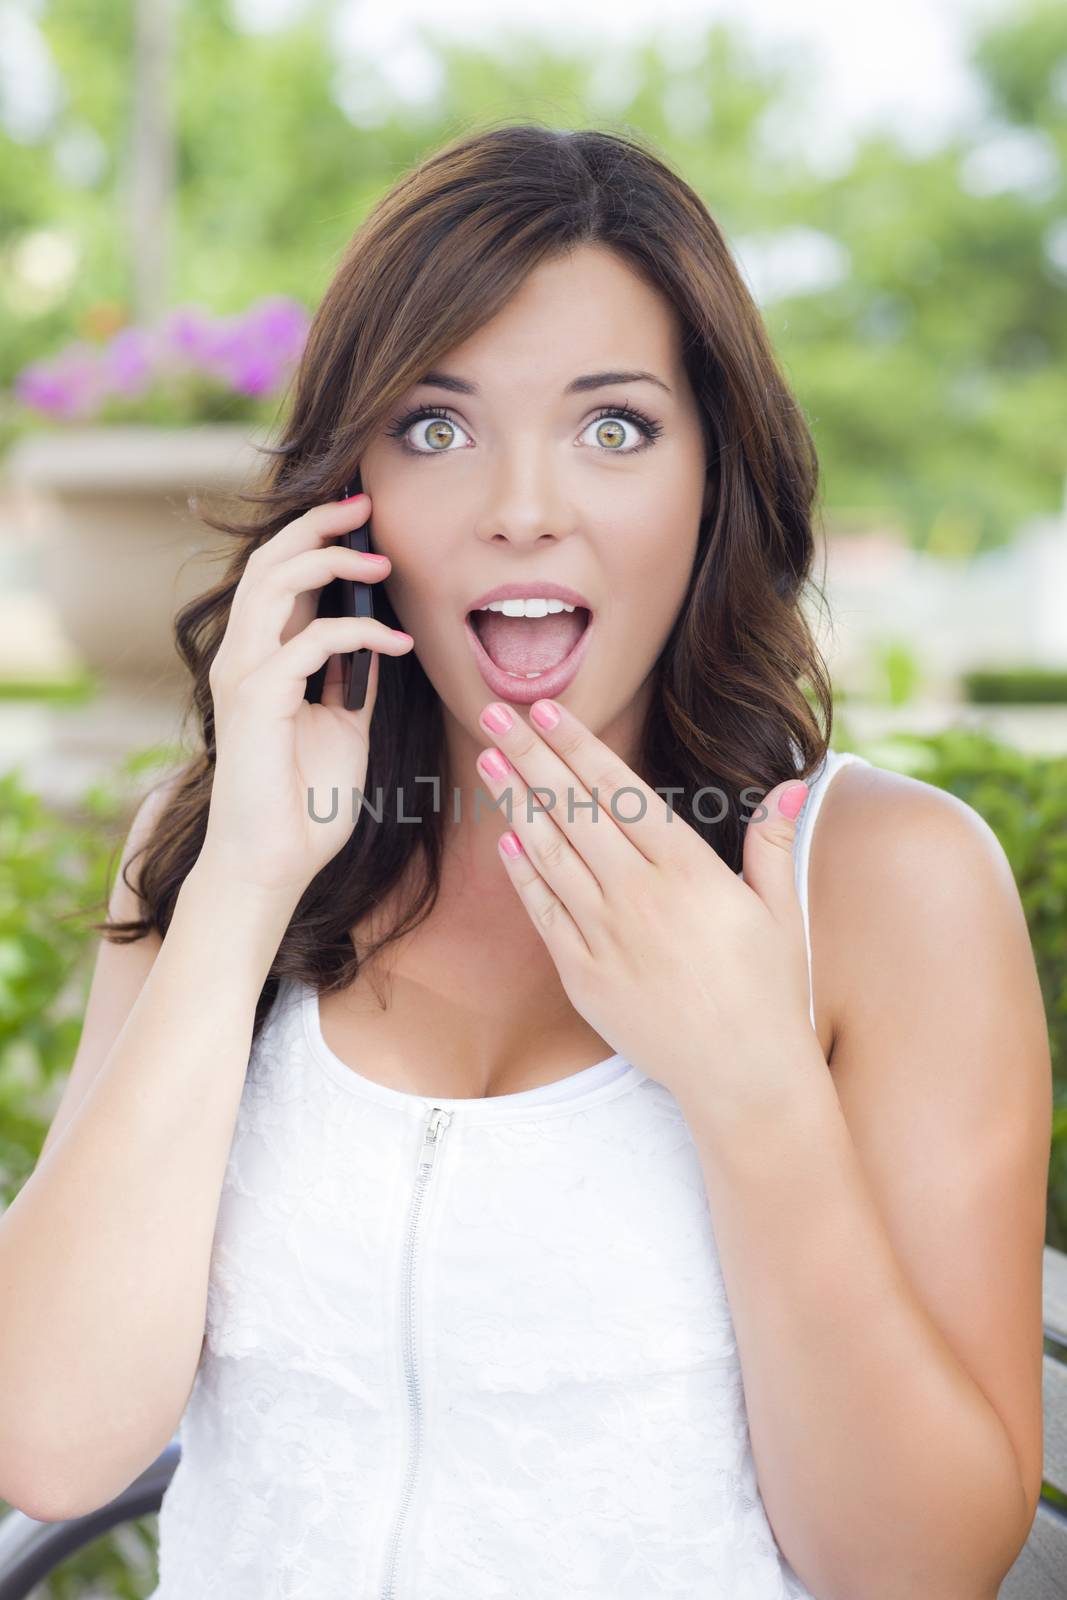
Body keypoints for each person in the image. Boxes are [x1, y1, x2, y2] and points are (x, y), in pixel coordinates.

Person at [0, 123, 1049, 1599]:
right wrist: (241, 887)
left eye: (613, 426)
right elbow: (51, 1439)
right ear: (347, 488)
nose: (521, 506)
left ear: (713, 475)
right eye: (435, 426)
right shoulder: (223, 837)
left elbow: (924, 1566)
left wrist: (753, 1088)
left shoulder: (887, 885)